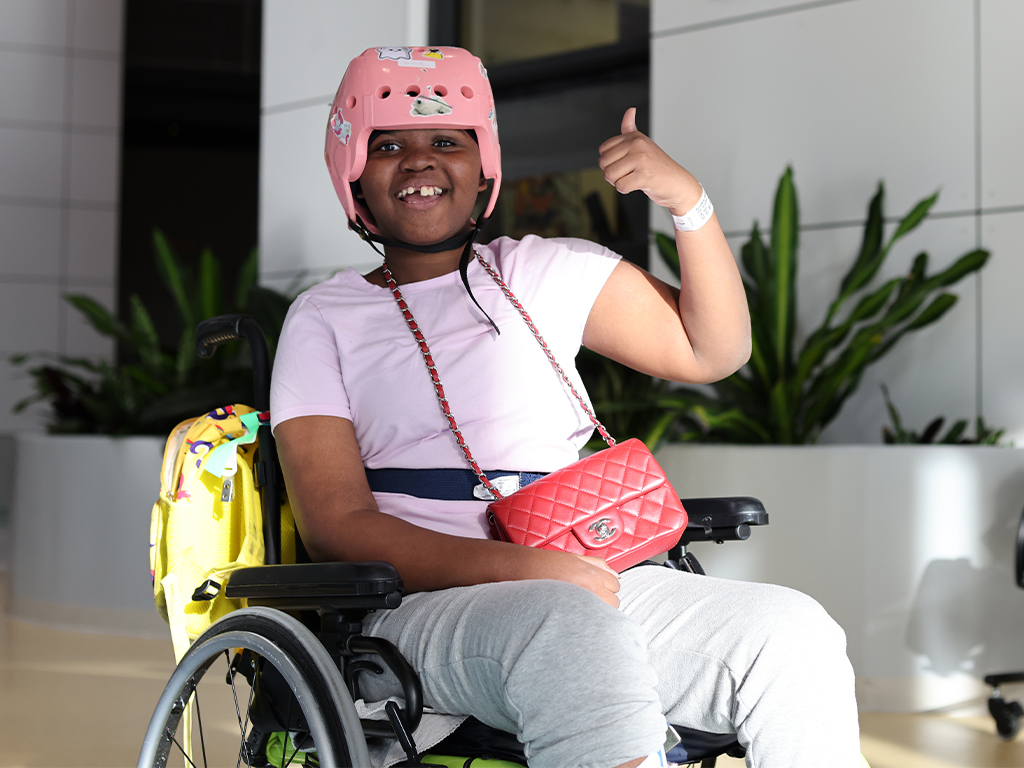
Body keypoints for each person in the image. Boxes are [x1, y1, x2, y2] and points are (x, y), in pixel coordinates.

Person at [271, 46, 861, 768]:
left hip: (590, 576)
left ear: (483, 164)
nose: (420, 160)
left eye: (447, 141)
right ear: (353, 172)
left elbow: (711, 350)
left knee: (791, 630)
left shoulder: (545, 270)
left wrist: (688, 202)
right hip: (421, 607)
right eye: (388, 145)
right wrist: (525, 571)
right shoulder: (323, 318)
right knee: (565, 624)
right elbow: (336, 525)